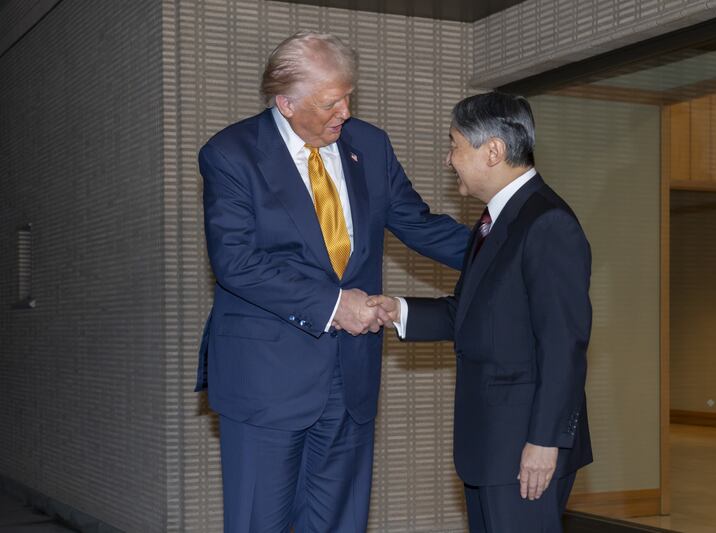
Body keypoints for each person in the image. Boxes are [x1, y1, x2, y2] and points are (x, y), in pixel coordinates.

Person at [194, 31, 470, 532]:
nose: (345, 111)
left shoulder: (370, 144)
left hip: (351, 377)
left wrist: (507, 250)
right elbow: (235, 261)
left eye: (348, 96)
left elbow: (419, 224)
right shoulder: (231, 153)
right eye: (330, 103)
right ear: (286, 102)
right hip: (265, 381)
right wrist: (334, 304)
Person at [368, 92, 593, 532]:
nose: (449, 160)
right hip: (492, 446)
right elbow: (469, 314)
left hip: (525, 448)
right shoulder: (495, 221)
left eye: (454, 146)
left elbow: (564, 344)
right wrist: (398, 310)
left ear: (493, 151)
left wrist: (543, 441)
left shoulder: (547, 223)